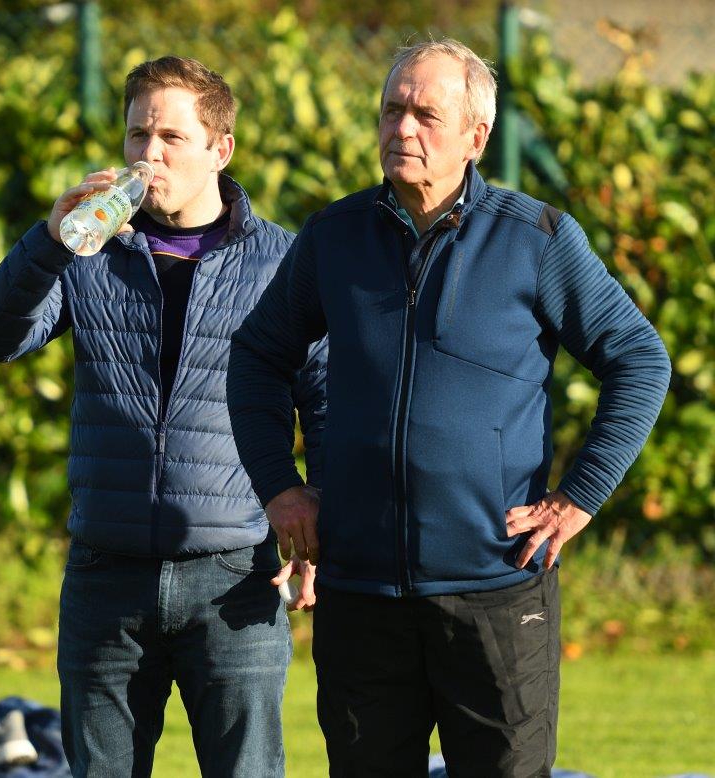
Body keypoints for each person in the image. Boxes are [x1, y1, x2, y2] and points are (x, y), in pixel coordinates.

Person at [228, 39, 671, 777]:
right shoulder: (333, 237)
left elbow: (639, 358)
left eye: (426, 114)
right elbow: (257, 357)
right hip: (361, 595)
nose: (403, 129)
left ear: (476, 136)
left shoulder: (537, 239)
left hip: (497, 590)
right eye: (392, 110)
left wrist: (579, 497)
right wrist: (279, 486)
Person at [0, 56, 327, 777]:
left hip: (235, 576)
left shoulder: (282, 261)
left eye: (169, 137)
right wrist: (48, 240)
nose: (148, 155)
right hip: (107, 571)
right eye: (137, 135)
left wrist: (320, 525)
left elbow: (324, 400)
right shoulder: (88, 251)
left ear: (220, 150)